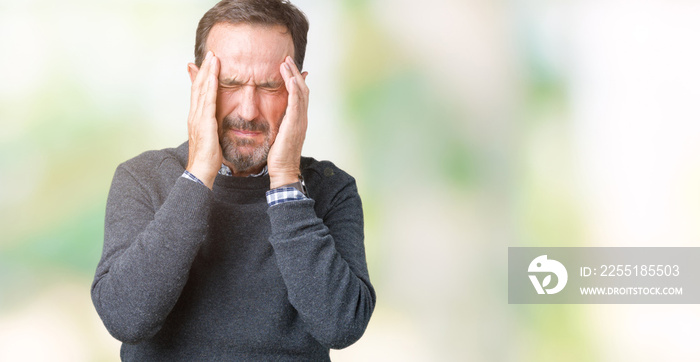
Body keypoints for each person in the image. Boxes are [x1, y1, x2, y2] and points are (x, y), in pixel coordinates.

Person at [90, 0, 376, 360]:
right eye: (230, 83)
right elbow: (125, 319)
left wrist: (286, 183)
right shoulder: (141, 178)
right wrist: (197, 176)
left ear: (297, 92)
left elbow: (342, 326)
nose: (247, 110)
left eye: (270, 86)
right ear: (198, 83)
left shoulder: (332, 189)